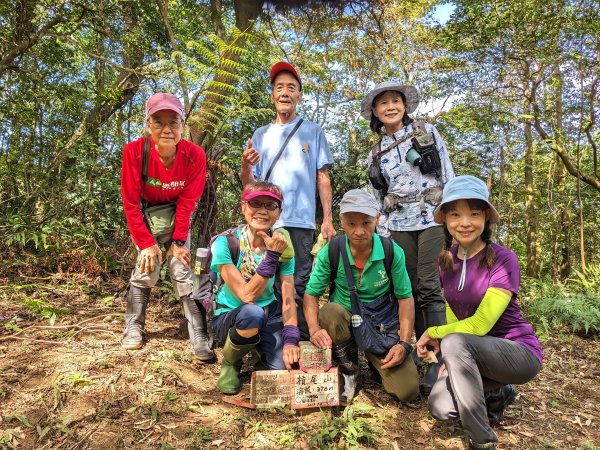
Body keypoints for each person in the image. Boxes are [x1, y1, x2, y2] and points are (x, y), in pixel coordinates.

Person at [415, 175, 543, 450]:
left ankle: (481, 440)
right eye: (455, 214)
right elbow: (454, 318)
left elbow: (480, 325)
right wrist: (449, 361)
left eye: (473, 213)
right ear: (446, 220)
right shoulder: (445, 261)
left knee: (454, 340)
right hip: (472, 356)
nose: (464, 223)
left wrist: (433, 334)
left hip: (517, 352)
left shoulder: (503, 259)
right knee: (440, 406)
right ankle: (500, 392)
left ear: (485, 217)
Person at [361, 82, 455, 394]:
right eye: (383, 103)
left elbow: (447, 173)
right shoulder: (375, 154)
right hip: (397, 223)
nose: (390, 106)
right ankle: (419, 350)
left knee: (429, 283)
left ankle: (438, 359)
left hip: (431, 216)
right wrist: (382, 229)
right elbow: (377, 196)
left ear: (404, 105)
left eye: (395, 101)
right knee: (409, 287)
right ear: (375, 112)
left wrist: (453, 212)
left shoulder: (426, 132)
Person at [241, 61, 335, 339]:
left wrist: (327, 220)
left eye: (291, 88)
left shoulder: (313, 131)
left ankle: (301, 340)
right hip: (265, 221)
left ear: (299, 96)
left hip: (301, 222)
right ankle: (271, 342)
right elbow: (250, 186)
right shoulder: (261, 135)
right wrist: (246, 164)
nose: (284, 93)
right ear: (272, 95)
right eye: (279, 87)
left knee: (299, 282)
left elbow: (323, 177)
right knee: (264, 279)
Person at [303, 189, 420, 403]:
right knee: (330, 312)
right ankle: (347, 368)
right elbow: (311, 295)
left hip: (380, 323)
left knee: (408, 390)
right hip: (345, 319)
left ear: (376, 219)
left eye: (366, 223)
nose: (359, 231)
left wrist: (403, 343)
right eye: (351, 223)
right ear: (341, 222)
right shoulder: (331, 252)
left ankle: (377, 358)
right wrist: (313, 329)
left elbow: (405, 298)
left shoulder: (391, 252)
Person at [121, 92, 213, 360]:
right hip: (146, 216)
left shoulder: (194, 156)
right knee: (146, 266)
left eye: (173, 122)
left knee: (181, 267)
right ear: (148, 124)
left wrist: (179, 242)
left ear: (182, 125)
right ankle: (133, 325)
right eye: (158, 121)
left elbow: (187, 203)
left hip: (177, 217)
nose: (166, 129)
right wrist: (147, 244)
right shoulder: (135, 152)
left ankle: (199, 331)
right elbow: (130, 203)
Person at [211, 182, 300, 394]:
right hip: (233, 314)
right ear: (243, 207)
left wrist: (290, 339)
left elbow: (288, 297)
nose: (262, 210)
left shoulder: (283, 248)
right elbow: (246, 295)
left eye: (270, 205)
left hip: (269, 313)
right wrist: (271, 257)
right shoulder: (225, 243)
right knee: (252, 313)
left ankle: (262, 352)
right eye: (255, 204)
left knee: (281, 369)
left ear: (279, 212)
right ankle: (231, 363)